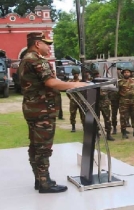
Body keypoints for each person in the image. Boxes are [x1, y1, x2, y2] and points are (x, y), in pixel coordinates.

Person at [18, 32, 86, 193]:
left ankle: (39, 179)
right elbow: (51, 82)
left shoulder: (26, 59)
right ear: (37, 44)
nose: (49, 47)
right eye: (46, 43)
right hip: (42, 110)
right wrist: (76, 85)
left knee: (35, 146)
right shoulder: (36, 59)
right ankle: (45, 182)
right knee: (43, 147)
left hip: (33, 108)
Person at [118, 66, 134, 139]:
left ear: (130, 73)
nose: (126, 73)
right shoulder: (120, 82)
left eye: (128, 72)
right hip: (124, 102)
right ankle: (124, 132)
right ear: (123, 74)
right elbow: (117, 92)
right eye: (125, 72)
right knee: (123, 117)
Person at [91, 69, 115, 141]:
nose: (97, 76)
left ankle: (108, 134)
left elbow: (111, 92)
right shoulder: (91, 83)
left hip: (105, 103)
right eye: (96, 75)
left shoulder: (105, 83)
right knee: (96, 119)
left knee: (107, 119)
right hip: (96, 103)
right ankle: (97, 134)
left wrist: (108, 100)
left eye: (98, 74)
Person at [68, 67, 84, 132]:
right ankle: (73, 127)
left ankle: (84, 126)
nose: (76, 75)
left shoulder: (81, 81)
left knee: (83, 114)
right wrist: (71, 97)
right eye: (74, 74)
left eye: (77, 73)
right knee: (72, 114)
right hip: (73, 101)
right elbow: (67, 91)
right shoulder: (70, 82)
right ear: (72, 74)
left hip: (81, 101)